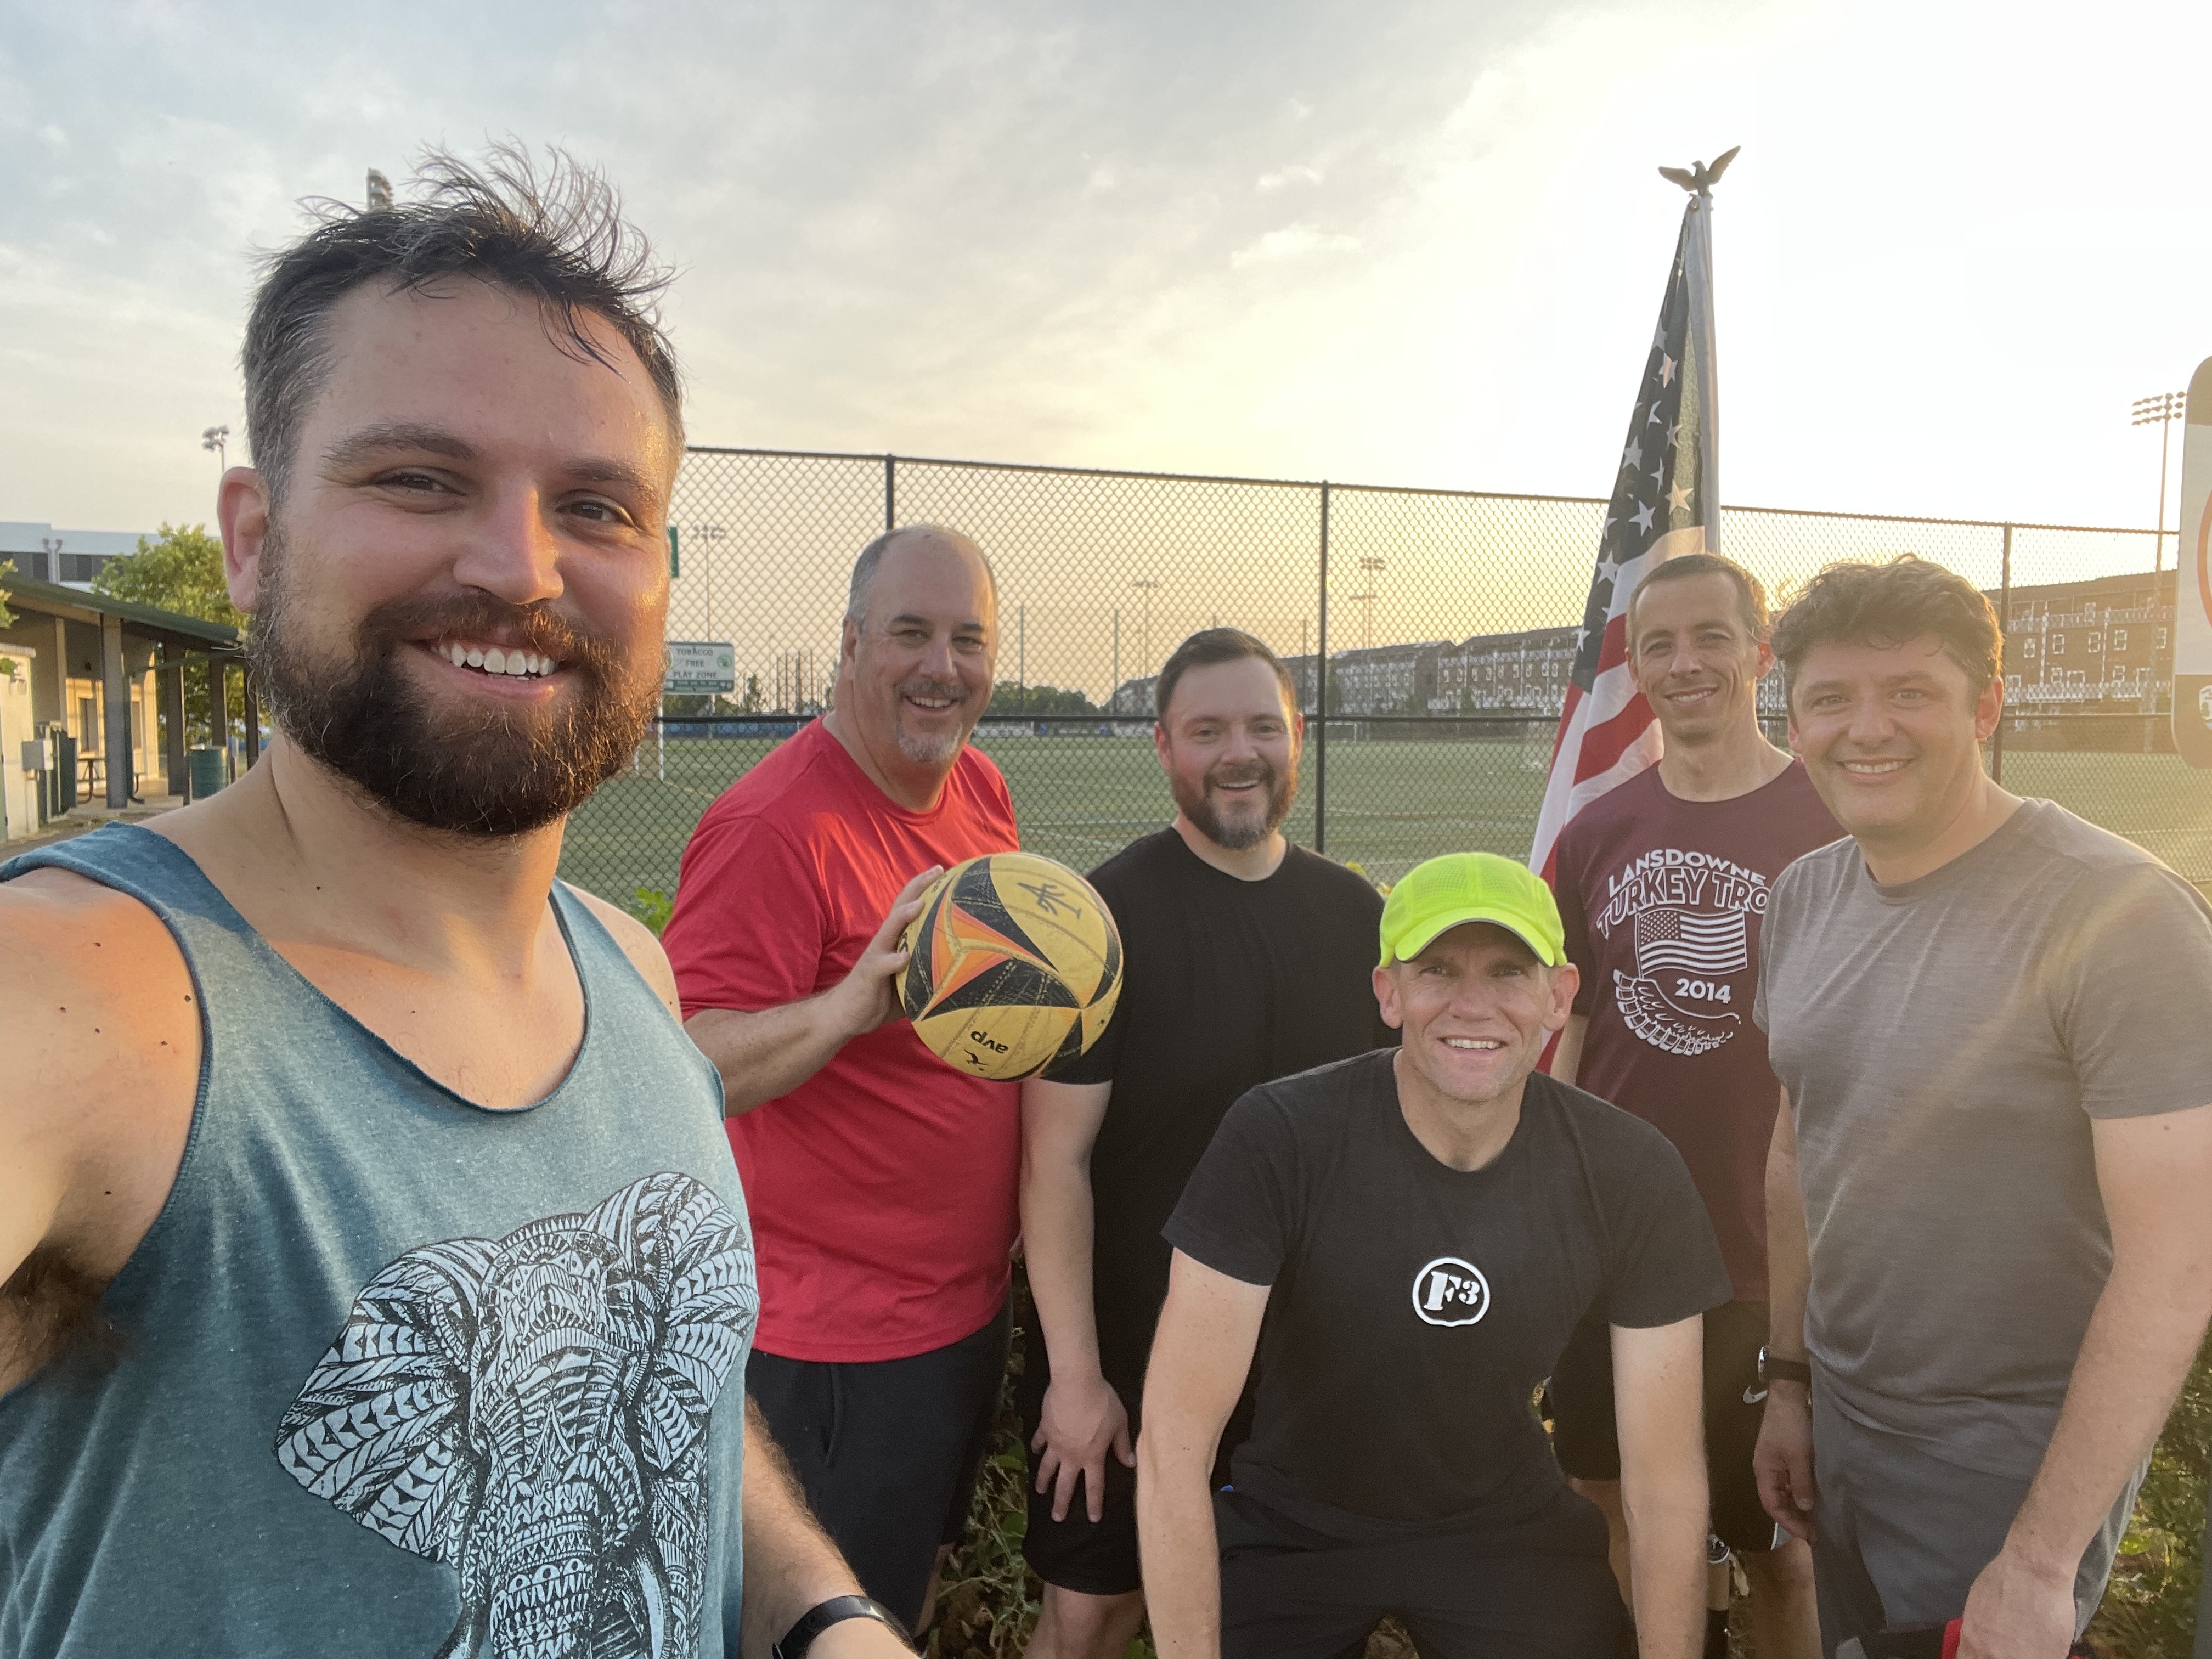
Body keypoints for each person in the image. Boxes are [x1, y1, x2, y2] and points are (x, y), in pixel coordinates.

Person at [0, 150, 910, 1659]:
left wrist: (825, 1616)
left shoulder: (631, 975)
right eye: (418, 479)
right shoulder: (85, 995)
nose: (520, 568)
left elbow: (668, 1406)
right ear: (252, 536)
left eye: (598, 507)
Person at [1750, 555, 2212, 1659]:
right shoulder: (1804, 896)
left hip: (2006, 1463)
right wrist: (1792, 1385)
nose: (1868, 729)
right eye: (1831, 699)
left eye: (1910, 692)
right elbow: (1799, 1152)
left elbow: (2178, 1261)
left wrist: (2043, 1558)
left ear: (1986, 707)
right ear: (1796, 724)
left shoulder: (2119, 916)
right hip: (1843, 1425)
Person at [1138, 851, 1731, 1659]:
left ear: (1559, 997)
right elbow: (1174, 1445)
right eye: (1438, 970)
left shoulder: (1629, 1170)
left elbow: (1664, 1483)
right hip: (1294, 1525)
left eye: (1509, 971)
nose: (1473, 1004)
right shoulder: (1279, 1138)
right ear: (1389, 993)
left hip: (1503, 1529)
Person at [663, 523, 1020, 1635]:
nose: (941, 666)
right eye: (911, 633)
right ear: (854, 643)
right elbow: (685, 1062)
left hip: (963, 1313)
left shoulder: (981, 789)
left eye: (968, 640)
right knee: (822, 1629)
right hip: (836, 1349)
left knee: (905, 1598)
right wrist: (845, 1006)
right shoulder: (773, 825)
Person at [1018, 628, 1391, 1659]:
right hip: (1132, 1350)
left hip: (1306, 1367)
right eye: (1208, 730)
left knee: (1276, 1621)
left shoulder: (1357, 917)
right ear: (1164, 746)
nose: (1240, 753)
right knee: (1090, 1616)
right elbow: (1054, 1165)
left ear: (1298, 736)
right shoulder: (1102, 920)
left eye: (1263, 727)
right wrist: (1076, 1379)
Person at [1547, 552, 1832, 1657]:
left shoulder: (1829, 818)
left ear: (1760, 651)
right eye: (1658, 644)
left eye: (1711, 636)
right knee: (1615, 1501)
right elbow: (1572, 1030)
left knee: (1782, 1543)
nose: (1685, 663)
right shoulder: (1597, 831)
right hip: (1617, 1244)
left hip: (1764, 1253)